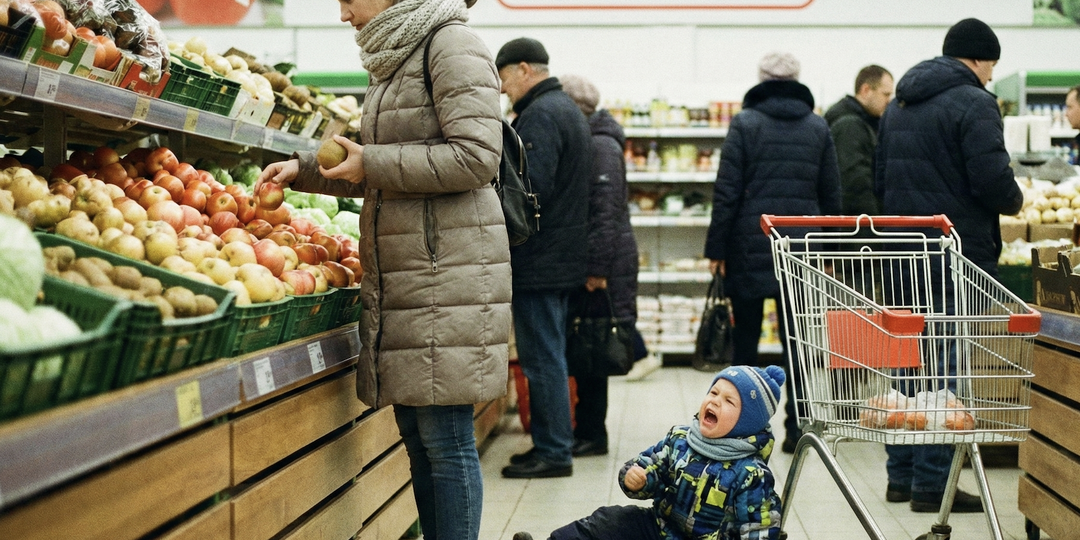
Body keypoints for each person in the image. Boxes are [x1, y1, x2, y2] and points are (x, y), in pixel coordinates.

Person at [255, 0, 510, 538]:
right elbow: (371, 154)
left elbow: (476, 157)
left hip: (446, 271)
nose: (343, 14)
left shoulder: (450, 45)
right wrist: (303, 169)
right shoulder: (396, 55)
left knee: (444, 439)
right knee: (419, 438)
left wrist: (369, 162)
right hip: (409, 271)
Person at [873, 17, 1023, 514]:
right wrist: (1016, 197)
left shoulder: (899, 104)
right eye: (991, 66)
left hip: (900, 251)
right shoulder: (975, 102)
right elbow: (991, 180)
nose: (990, 77)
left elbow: (879, 180)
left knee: (908, 363)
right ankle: (934, 485)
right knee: (945, 371)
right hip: (950, 253)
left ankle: (902, 475)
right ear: (979, 59)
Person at [703, 51, 841, 455]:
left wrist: (717, 249)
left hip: (749, 244)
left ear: (761, 80)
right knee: (795, 341)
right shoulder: (818, 126)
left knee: (745, 341)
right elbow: (831, 195)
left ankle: (741, 427)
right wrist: (829, 249)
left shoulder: (745, 123)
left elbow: (726, 191)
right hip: (800, 249)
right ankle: (797, 429)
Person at [511, 365, 786, 540]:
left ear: (746, 423)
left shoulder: (751, 473)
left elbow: (759, 528)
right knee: (612, 519)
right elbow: (651, 464)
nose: (715, 401)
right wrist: (640, 478)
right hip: (660, 526)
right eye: (713, 392)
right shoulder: (681, 438)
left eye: (729, 401)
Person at [496, 38, 594, 478]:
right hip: (559, 253)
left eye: (503, 78)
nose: (502, 88)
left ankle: (554, 451)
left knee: (542, 358)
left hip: (541, 256)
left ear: (523, 69)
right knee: (548, 355)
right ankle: (551, 444)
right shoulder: (563, 108)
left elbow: (531, 190)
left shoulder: (541, 116)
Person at [558, 74, 644, 457]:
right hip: (603, 260)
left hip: (605, 266)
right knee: (587, 343)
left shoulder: (600, 145)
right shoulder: (592, 140)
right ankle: (587, 427)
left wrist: (596, 269)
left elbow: (605, 213)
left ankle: (593, 432)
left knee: (593, 345)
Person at [824, 65, 894, 217]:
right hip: (858, 227)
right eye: (885, 94)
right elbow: (856, 185)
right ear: (866, 90)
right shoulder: (850, 126)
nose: (889, 101)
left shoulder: (864, 122)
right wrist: (872, 227)